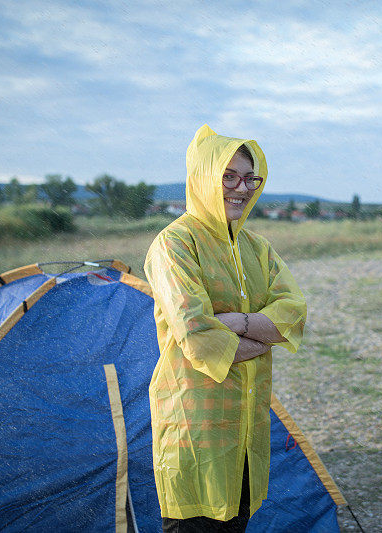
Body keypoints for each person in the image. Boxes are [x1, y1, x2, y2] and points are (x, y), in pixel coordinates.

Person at [144, 124, 307, 532]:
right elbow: (200, 337)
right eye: (228, 176)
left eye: (251, 178)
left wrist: (240, 324)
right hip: (195, 435)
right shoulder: (175, 245)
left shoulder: (257, 248)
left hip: (246, 436)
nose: (242, 187)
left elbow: (294, 313)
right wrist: (264, 336)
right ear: (202, 178)